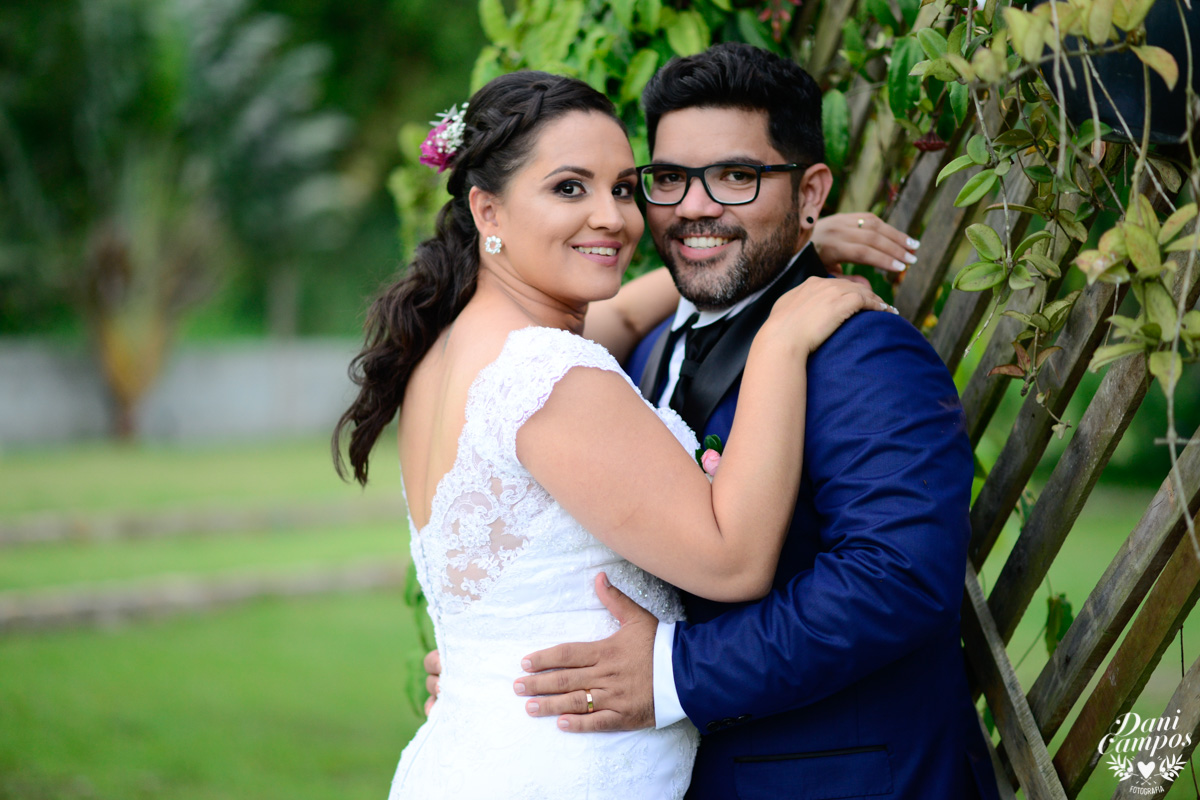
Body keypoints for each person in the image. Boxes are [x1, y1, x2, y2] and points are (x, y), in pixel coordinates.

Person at [430, 44, 1001, 799]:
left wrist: (672, 671)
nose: (695, 207)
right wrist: (502, 653)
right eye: (667, 180)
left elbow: (894, 580)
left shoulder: (864, 352)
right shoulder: (637, 355)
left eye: (737, 177)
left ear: (809, 194)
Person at [332, 69, 889, 798]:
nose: (614, 218)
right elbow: (733, 560)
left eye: (624, 189)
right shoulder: (549, 373)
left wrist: (796, 247)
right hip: (564, 770)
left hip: (480, 747)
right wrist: (782, 336)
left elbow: (621, 315)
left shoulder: (457, 346)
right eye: (570, 188)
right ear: (487, 210)